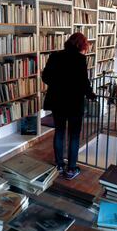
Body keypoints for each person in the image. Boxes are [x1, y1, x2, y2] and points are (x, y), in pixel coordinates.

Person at [42, 32, 96, 180]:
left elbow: (45, 77)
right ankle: (71, 169)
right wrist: (91, 95)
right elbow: (84, 83)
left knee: (59, 132)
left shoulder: (55, 56)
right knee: (74, 135)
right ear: (81, 45)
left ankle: (59, 165)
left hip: (57, 102)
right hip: (74, 103)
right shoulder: (80, 59)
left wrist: (58, 85)